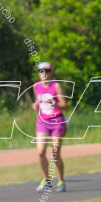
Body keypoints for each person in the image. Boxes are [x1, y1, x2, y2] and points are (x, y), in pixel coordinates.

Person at [31, 61, 69, 192]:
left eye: (47, 71)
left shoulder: (56, 86)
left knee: (55, 153)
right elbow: (38, 101)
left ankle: (61, 181)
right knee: (40, 152)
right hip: (42, 122)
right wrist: (35, 105)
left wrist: (55, 103)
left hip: (57, 121)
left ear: (51, 73)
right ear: (38, 73)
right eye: (41, 71)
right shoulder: (36, 86)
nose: (44, 73)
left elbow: (65, 105)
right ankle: (46, 180)